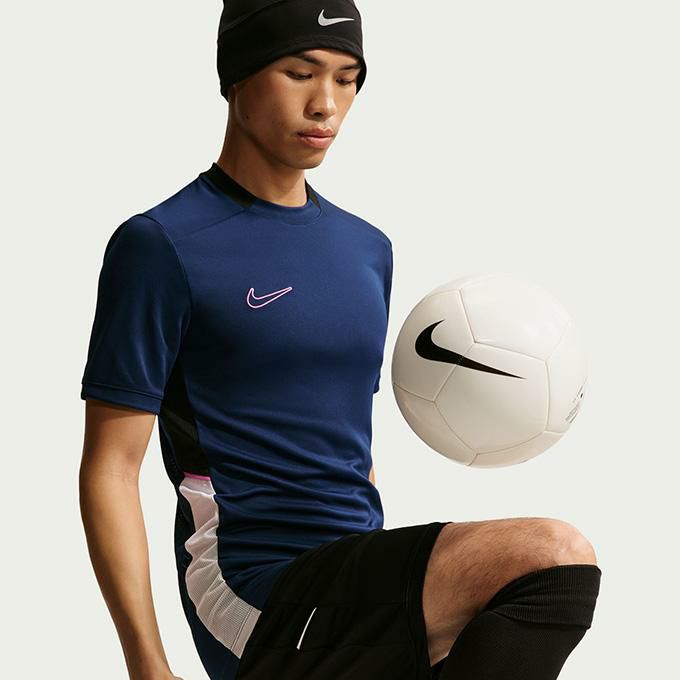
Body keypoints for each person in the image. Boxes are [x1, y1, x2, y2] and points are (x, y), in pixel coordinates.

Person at [78, 2, 603, 679]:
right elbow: (110, 468)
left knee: (542, 589)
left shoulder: (366, 250)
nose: (326, 103)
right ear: (237, 77)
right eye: (300, 73)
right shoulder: (161, 245)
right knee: (552, 556)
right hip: (249, 581)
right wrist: (146, 663)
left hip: (349, 567)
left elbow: (349, 442)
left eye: (347, 79)